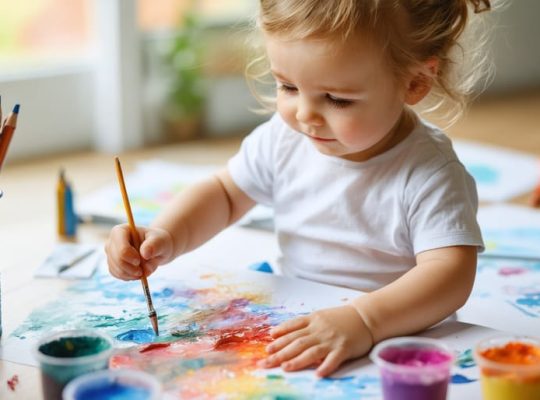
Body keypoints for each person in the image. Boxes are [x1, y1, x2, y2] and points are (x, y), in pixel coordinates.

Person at [106, 0, 494, 377]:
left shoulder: (430, 172)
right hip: (299, 324)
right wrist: (166, 234)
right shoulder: (282, 140)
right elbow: (224, 193)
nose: (305, 115)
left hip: (395, 344)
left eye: (337, 99)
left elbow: (450, 277)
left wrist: (364, 321)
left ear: (414, 83)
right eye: (287, 87)